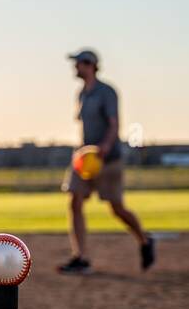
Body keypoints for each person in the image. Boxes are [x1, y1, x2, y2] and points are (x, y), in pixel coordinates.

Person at [58, 49, 155, 274]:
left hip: (107, 159)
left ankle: (144, 240)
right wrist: (82, 152)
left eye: (78, 64)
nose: (75, 68)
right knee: (74, 201)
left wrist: (106, 146)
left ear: (90, 65)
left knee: (117, 208)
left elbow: (114, 124)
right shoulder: (82, 93)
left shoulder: (106, 92)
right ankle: (80, 256)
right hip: (85, 160)